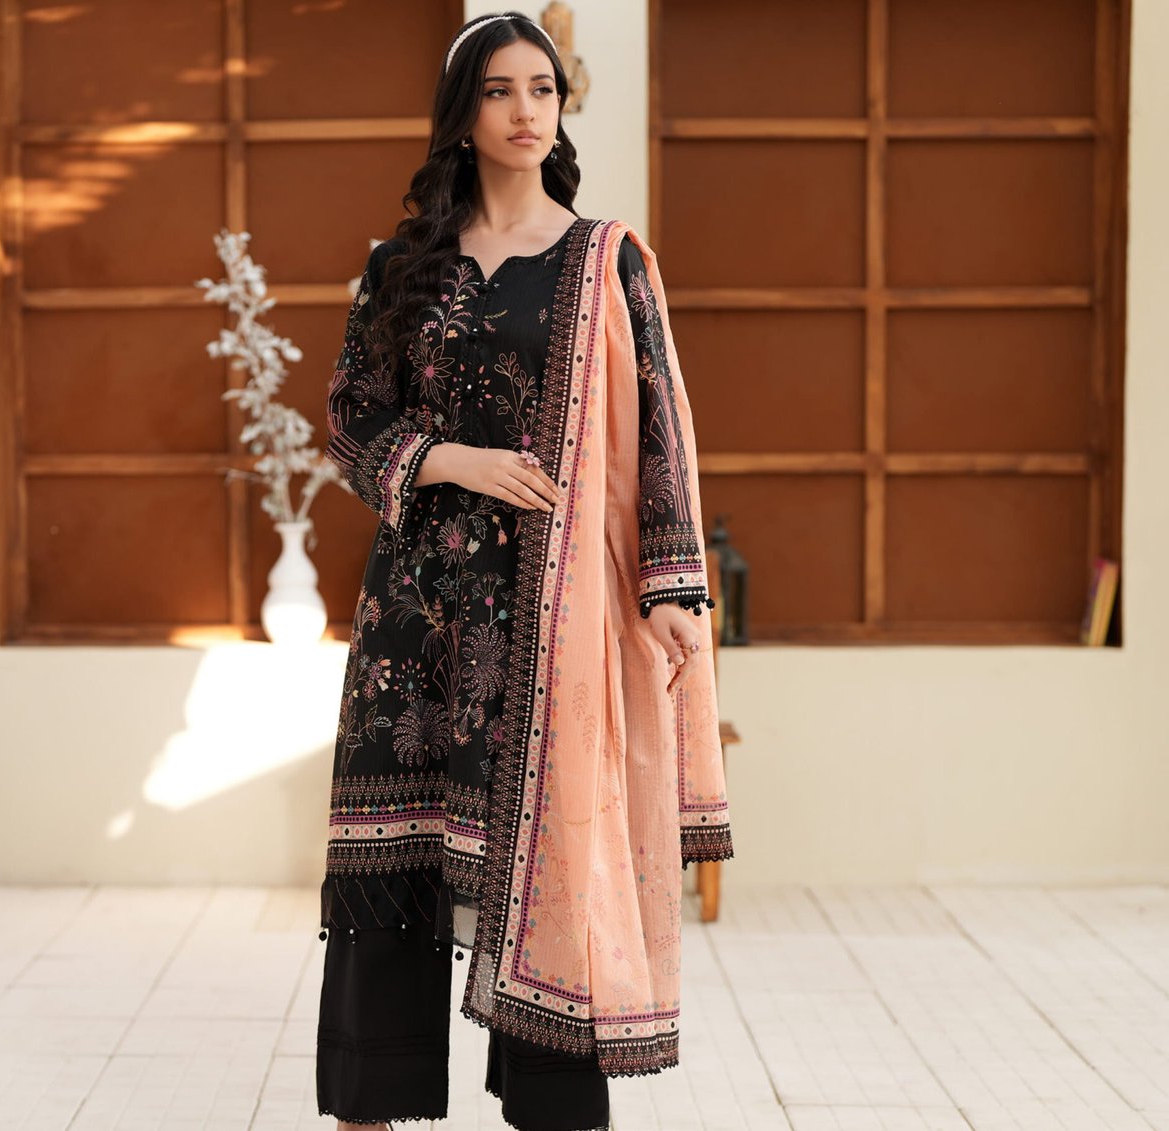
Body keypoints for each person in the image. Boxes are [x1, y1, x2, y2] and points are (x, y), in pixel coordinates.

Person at [315, 12, 734, 1130]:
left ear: (560, 105)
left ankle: (552, 1108)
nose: (523, 111)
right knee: (390, 862)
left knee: (553, 854)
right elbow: (352, 419)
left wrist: (672, 591)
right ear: (463, 115)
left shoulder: (604, 260)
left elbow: (659, 430)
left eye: (541, 89)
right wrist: (456, 460)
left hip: (553, 619)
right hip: (413, 619)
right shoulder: (399, 267)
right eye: (498, 91)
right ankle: (368, 1107)